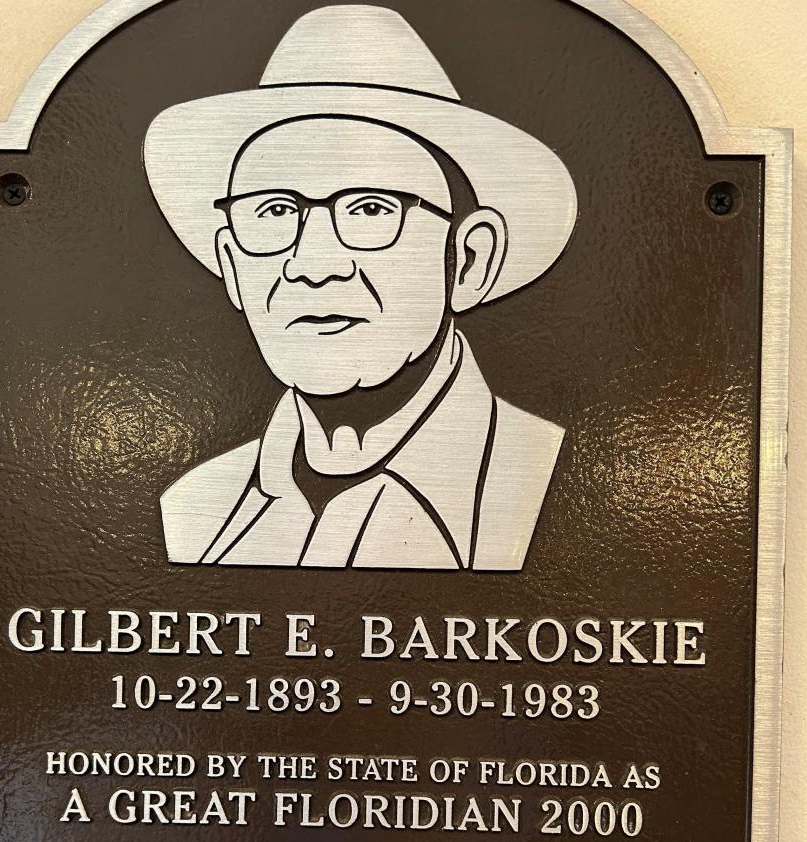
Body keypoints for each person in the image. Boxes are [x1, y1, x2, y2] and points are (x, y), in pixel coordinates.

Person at [144, 4, 578, 570]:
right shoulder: (194, 514)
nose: (312, 264)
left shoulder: (559, 487)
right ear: (231, 264)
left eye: (371, 209)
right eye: (274, 213)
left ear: (468, 261)